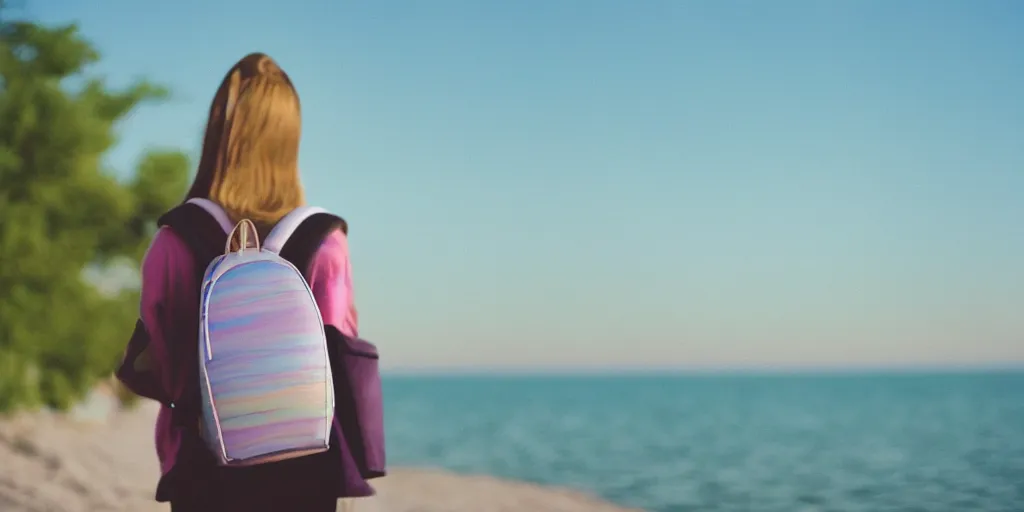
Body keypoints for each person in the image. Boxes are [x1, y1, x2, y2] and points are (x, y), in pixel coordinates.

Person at [116, 53, 367, 512]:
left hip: (204, 467)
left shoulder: (175, 241)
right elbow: (339, 358)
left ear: (218, 135)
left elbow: (165, 368)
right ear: (290, 140)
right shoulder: (324, 242)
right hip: (307, 470)